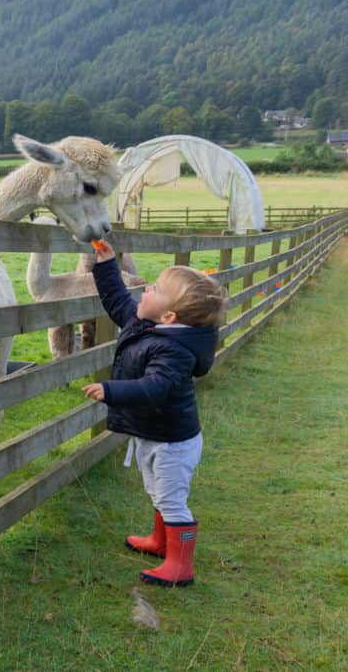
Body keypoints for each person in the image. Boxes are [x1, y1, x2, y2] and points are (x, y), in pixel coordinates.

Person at [82, 240, 227, 587]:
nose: (146, 288)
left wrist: (111, 390)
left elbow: (154, 388)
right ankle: (161, 541)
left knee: (171, 498)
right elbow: (117, 300)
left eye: (156, 289)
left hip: (173, 443)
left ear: (169, 317)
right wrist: (105, 263)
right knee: (158, 491)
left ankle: (181, 565)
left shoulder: (173, 350)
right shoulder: (148, 326)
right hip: (158, 434)